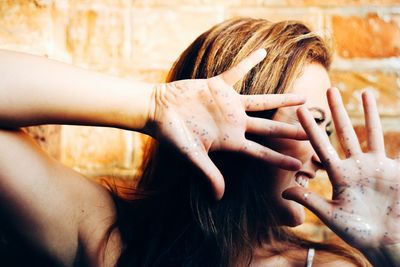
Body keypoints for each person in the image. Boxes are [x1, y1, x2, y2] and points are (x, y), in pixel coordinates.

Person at [0, 18, 398, 267]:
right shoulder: (110, 241)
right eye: (310, 126)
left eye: (324, 131)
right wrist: (153, 105)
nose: (325, 158)